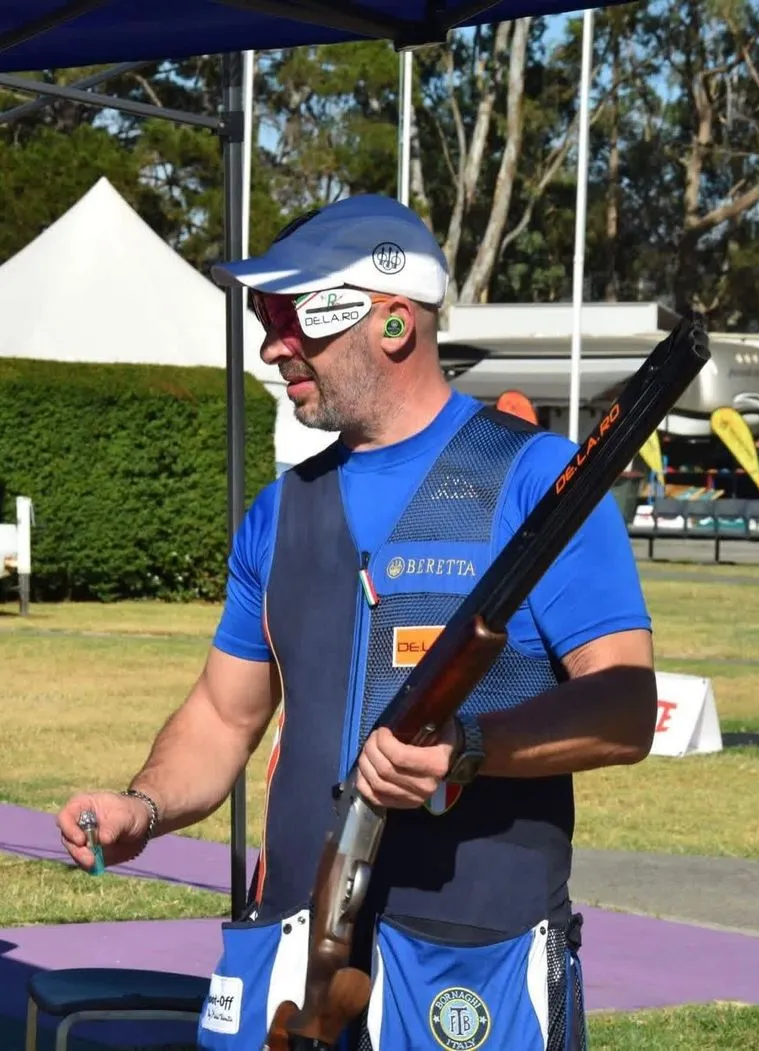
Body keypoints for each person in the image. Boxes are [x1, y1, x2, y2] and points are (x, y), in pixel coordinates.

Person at [58, 194, 657, 1051]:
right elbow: (223, 718)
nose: (273, 345)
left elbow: (625, 704)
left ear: (392, 321)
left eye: (295, 315)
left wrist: (473, 746)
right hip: (293, 954)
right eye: (267, 317)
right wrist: (140, 806)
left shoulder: (537, 480)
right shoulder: (279, 512)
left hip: (470, 960)